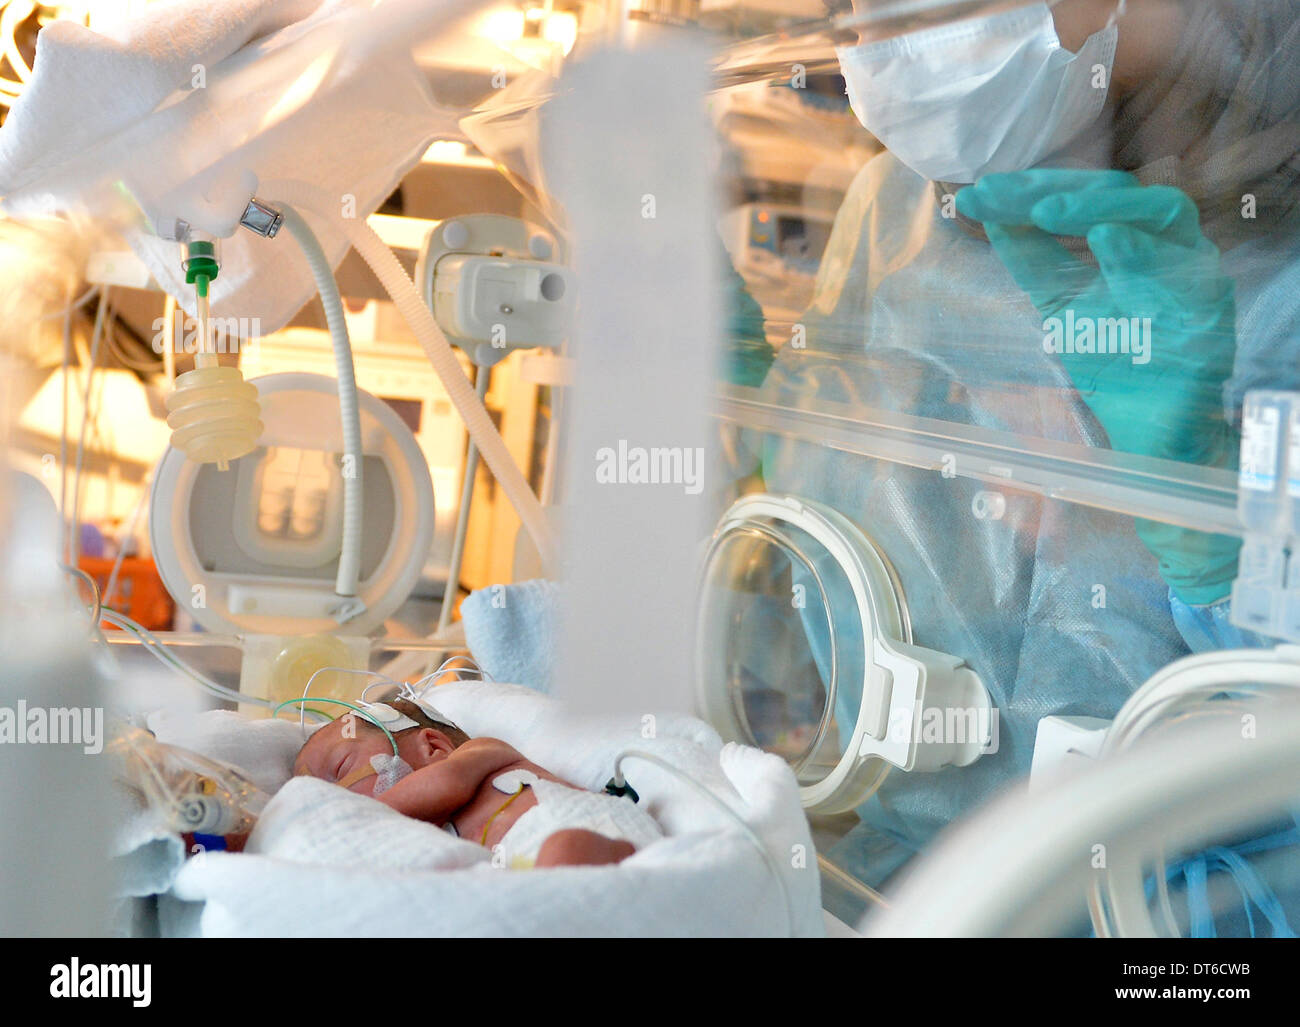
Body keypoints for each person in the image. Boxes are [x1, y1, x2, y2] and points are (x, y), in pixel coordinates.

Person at [751, 0, 1300, 888]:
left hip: (1185, 928)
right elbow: (830, 552)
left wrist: (1201, 518)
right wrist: (755, 412)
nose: (879, 36)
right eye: (850, 9)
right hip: (912, 883)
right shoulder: (895, 210)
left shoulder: (1280, 249)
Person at [292, 697, 662, 868]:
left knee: (567, 851)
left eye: (340, 769)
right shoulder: (423, 837)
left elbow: (444, 785)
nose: (335, 799)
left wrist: (349, 818)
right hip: (527, 874)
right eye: (326, 795)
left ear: (433, 746)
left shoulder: (479, 755)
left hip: (585, 830)